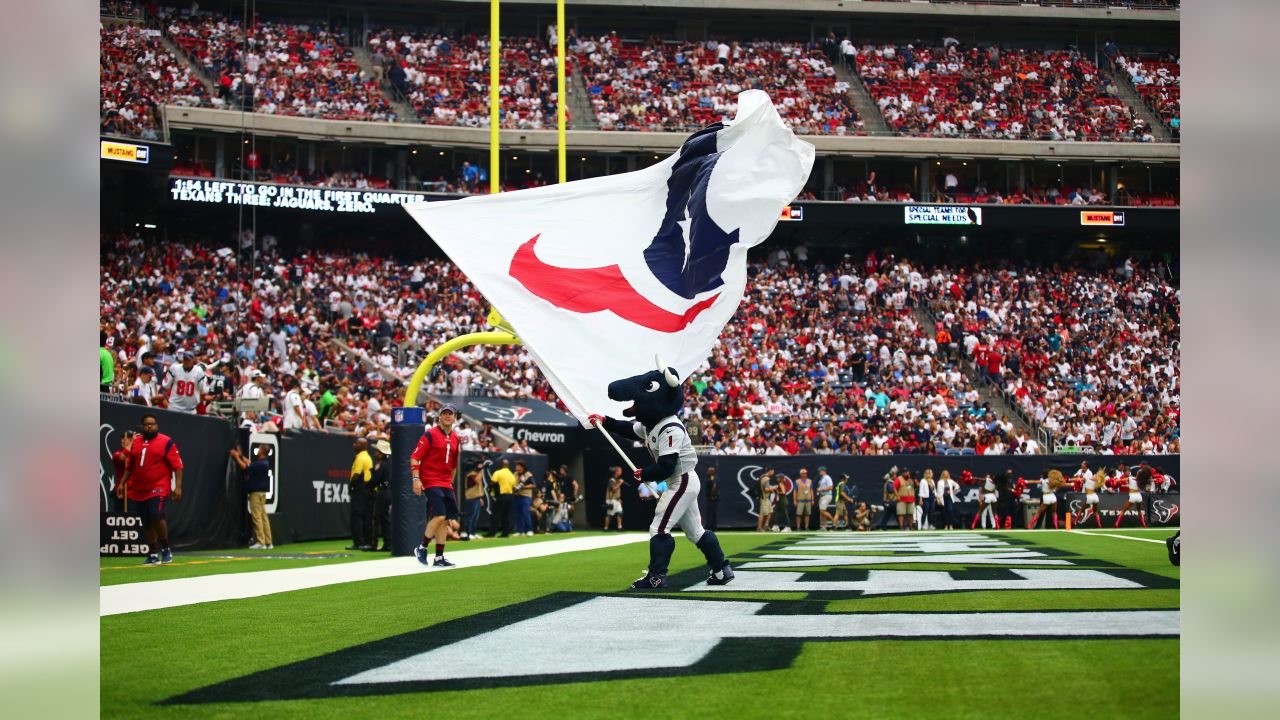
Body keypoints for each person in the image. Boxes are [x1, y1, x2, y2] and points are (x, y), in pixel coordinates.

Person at [588, 361, 733, 589]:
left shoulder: (670, 427)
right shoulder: (652, 424)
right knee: (696, 532)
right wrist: (606, 421)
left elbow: (667, 464)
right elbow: (628, 428)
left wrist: (645, 474)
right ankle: (722, 569)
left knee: (659, 528)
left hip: (681, 480)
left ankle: (656, 576)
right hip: (680, 479)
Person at [116, 414, 182, 565]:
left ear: (157, 425)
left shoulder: (166, 441)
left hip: (159, 485)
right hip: (140, 488)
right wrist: (122, 484)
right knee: (145, 521)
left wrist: (178, 486)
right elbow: (130, 466)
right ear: (142, 426)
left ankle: (166, 549)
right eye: (146, 424)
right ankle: (153, 553)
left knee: (156, 513)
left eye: (152, 424)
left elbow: (178, 466)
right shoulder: (136, 442)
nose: (149, 426)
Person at [411, 404, 463, 566]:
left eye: (451, 414)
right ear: (439, 417)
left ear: (455, 418)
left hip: (445, 482)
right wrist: (416, 479)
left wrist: (450, 482)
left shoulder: (455, 438)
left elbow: (454, 465)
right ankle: (422, 547)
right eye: (445, 413)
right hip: (430, 479)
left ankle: (439, 557)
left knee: (445, 519)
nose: (447, 416)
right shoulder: (430, 434)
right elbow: (415, 457)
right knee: (440, 515)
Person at [230, 445, 273, 549]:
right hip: (262, 493)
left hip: (256, 493)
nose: (258, 451)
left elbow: (246, 468)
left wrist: (236, 457)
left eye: (259, 449)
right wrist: (241, 456)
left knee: (257, 517)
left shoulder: (260, 464)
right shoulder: (264, 463)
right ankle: (268, 542)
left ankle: (260, 542)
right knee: (263, 517)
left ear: (262, 452)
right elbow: (250, 464)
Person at [347, 436, 375, 551]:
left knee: (356, 516)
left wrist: (351, 486)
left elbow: (356, 475)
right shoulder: (368, 457)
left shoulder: (360, 458)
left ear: (363, 446)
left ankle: (358, 542)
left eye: (356, 443)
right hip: (368, 489)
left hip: (360, 488)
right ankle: (366, 541)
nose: (354, 445)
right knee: (366, 516)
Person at [371, 439, 393, 550]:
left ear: (381, 452)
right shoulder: (389, 464)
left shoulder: (380, 465)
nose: (375, 453)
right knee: (385, 519)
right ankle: (388, 543)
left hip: (382, 493)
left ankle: (373, 544)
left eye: (377, 451)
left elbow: (375, 480)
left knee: (376, 519)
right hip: (388, 492)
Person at [486, 458, 516, 537]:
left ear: (501, 465)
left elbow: (492, 483)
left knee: (495, 515)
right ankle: (506, 533)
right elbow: (514, 487)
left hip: (501, 496)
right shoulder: (511, 474)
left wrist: (489, 489)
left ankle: (491, 533)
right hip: (510, 495)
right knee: (506, 515)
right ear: (508, 465)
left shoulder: (498, 472)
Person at [461, 460, 488, 540]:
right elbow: (476, 481)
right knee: (470, 516)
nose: (481, 467)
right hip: (471, 498)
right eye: (479, 466)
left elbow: (479, 486)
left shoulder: (476, 474)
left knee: (475, 517)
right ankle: (468, 533)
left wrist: (480, 498)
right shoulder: (471, 474)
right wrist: (481, 471)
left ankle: (473, 532)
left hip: (476, 497)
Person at [513, 460, 535, 536]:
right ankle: (519, 531)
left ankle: (529, 530)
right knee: (518, 513)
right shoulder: (515, 474)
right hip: (517, 495)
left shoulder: (528, 474)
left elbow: (533, 485)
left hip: (526, 496)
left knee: (525, 512)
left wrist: (523, 487)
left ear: (521, 467)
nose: (516, 467)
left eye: (517, 466)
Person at [604, 466, 625, 530]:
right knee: (609, 514)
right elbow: (613, 490)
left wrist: (619, 498)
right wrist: (620, 483)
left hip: (617, 500)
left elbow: (617, 492)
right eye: (620, 471)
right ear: (616, 472)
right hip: (611, 500)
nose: (621, 472)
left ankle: (619, 527)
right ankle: (606, 528)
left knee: (620, 513)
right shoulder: (612, 480)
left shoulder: (617, 480)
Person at [703, 466, 719, 531]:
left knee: (710, 513)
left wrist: (712, 496)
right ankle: (712, 527)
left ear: (712, 472)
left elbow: (714, 486)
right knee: (712, 513)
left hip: (712, 499)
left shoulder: (713, 478)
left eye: (709, 471)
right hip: (712, 498)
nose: (707, 472)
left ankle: (710, 527)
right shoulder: (711, 477)